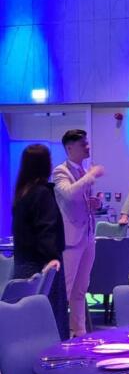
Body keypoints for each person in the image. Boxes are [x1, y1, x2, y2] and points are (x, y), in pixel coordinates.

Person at [12, 144, 69, 340]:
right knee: (50, 319)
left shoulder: (22, 193)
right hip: (42, 264)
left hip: (23, 264)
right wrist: (53, 257)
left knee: (28, 322)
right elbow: (46, 228)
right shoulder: (42, 193)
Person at [53, 129, 104, 337]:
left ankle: (79, 332)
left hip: (88, 236)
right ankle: (59, 333)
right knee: (65, 290)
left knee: (81, 289)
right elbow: (69, 194)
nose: (87, 147)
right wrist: (91, 175)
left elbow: (81, 201)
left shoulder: (83, 171)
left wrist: (95, 204)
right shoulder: (60, 171)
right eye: (83, 144)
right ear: (69, 148)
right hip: (70, 239)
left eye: (87, 143)